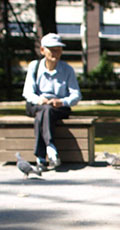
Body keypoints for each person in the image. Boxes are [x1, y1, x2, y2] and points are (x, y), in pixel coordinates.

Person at [23, 33, 82, 170]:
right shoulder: (34, 66)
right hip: (38, 104)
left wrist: (61, 101)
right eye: (52, 49)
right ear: (43, 50)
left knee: (45, 113)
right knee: (44, 110)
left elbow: (76, 95)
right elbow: (27, 92)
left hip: (57, 107)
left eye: (58, 49)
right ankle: (50, 148)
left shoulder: (67, 69)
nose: (56, 52)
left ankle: (41, 158)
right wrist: (40, 100)